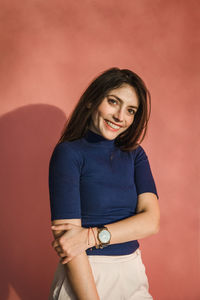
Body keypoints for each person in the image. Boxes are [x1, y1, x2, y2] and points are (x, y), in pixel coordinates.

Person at [48, 67, 160, 300]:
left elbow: (151, 221)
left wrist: (92, 237)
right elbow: (70, 244)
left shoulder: (135, 155)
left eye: (130, 110)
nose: (120, 116)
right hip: (85, 274)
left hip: (132, 271)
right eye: (113, 102)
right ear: (91, 101)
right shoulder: (69, 153)